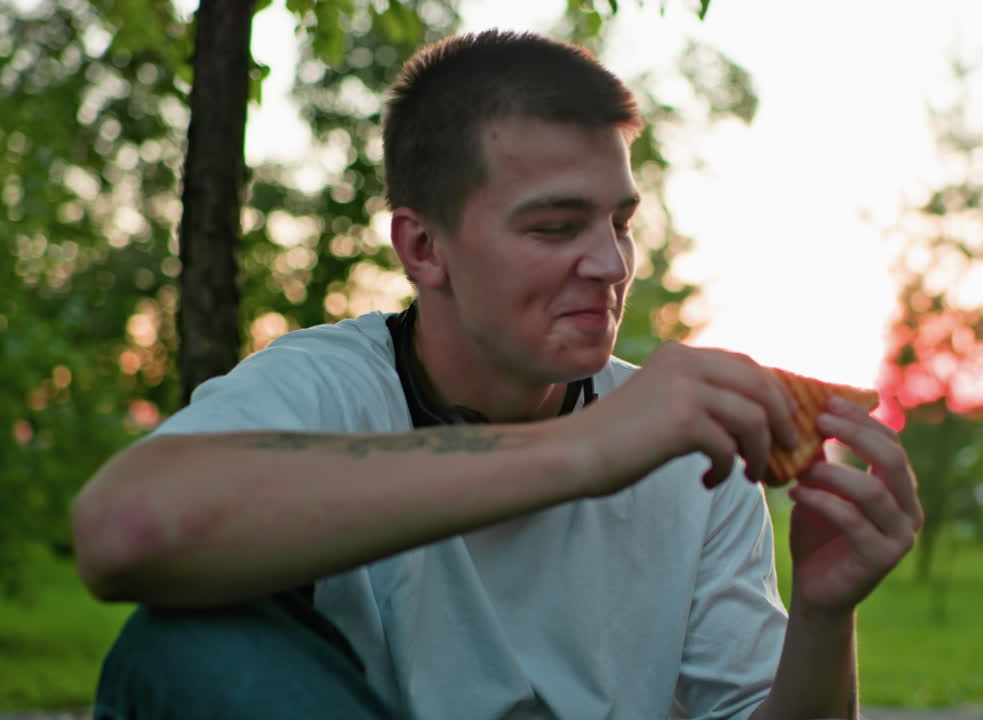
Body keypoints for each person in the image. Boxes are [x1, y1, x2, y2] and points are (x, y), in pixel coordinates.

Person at [73, 29, 924, 720]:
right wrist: (585, 451)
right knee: (184, 649)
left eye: (620, 221)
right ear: (422, 247)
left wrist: (824, 612)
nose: (610, 263)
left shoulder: (691, 448)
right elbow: (122, 533)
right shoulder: (328, 389)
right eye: (556, 228)